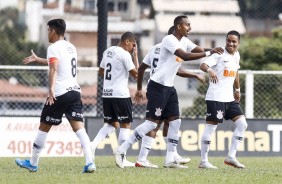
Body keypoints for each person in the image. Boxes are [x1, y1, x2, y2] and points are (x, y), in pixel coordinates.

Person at [114, 15, 223, 169]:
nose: (190, 28)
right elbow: (184, 56)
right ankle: (121, 150)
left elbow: (200, 50)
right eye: (187, 25)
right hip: (157, 86)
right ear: (179, 26)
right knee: (151, 123)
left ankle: (170, 159)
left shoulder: (184, 41)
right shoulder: (169, 40)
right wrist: (209, 53)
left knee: (175, 121)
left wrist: (217, 52)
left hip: (169, 88)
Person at [15, 19, 96, 173]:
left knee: (43, 127)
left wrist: (51, 89)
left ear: (53, 31)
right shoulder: (71, 46)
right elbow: (58, 63)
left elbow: (54, 68)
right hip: (75, 92)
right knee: (79, 128)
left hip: (59, 92)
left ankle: (32, 163)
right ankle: (90, 162)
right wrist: (38, 59)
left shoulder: (53, 47)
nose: (47, 33)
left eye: (48, 30)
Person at [134, 26, 206, 168]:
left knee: (171, 120)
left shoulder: (154, 48)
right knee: (156, 123)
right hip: (159, 87)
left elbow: (143, 67)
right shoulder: (172, 48)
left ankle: (172, 156)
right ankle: (141, 158)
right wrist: (195, 73)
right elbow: (177, 69)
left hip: (162, 87)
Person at [198, 30, 248, 169]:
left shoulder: (236, 55)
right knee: (211, 128)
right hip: (216, 97)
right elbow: (203, 65)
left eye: (234, 41)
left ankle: (231, 157)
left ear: (238, 43)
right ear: (225, 40)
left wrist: (237, 90)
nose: (230, 43)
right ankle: (203, 161)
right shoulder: (219, 54)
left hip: (230, 98)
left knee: (242, 124)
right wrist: (209, 70)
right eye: (228, 41)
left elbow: (236, 72)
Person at [90, 32, 139, 167]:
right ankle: (121, 158)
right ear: (127, 42)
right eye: (133, 45)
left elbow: (101, 71)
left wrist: (113, 77)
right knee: (126, 124)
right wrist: (135, 56)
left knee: (112, 124)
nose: (133, 48)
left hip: (107, 94)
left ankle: (92, 145)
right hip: (121, 94)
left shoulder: (108, 51)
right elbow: (136, 74)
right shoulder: (125, 54)